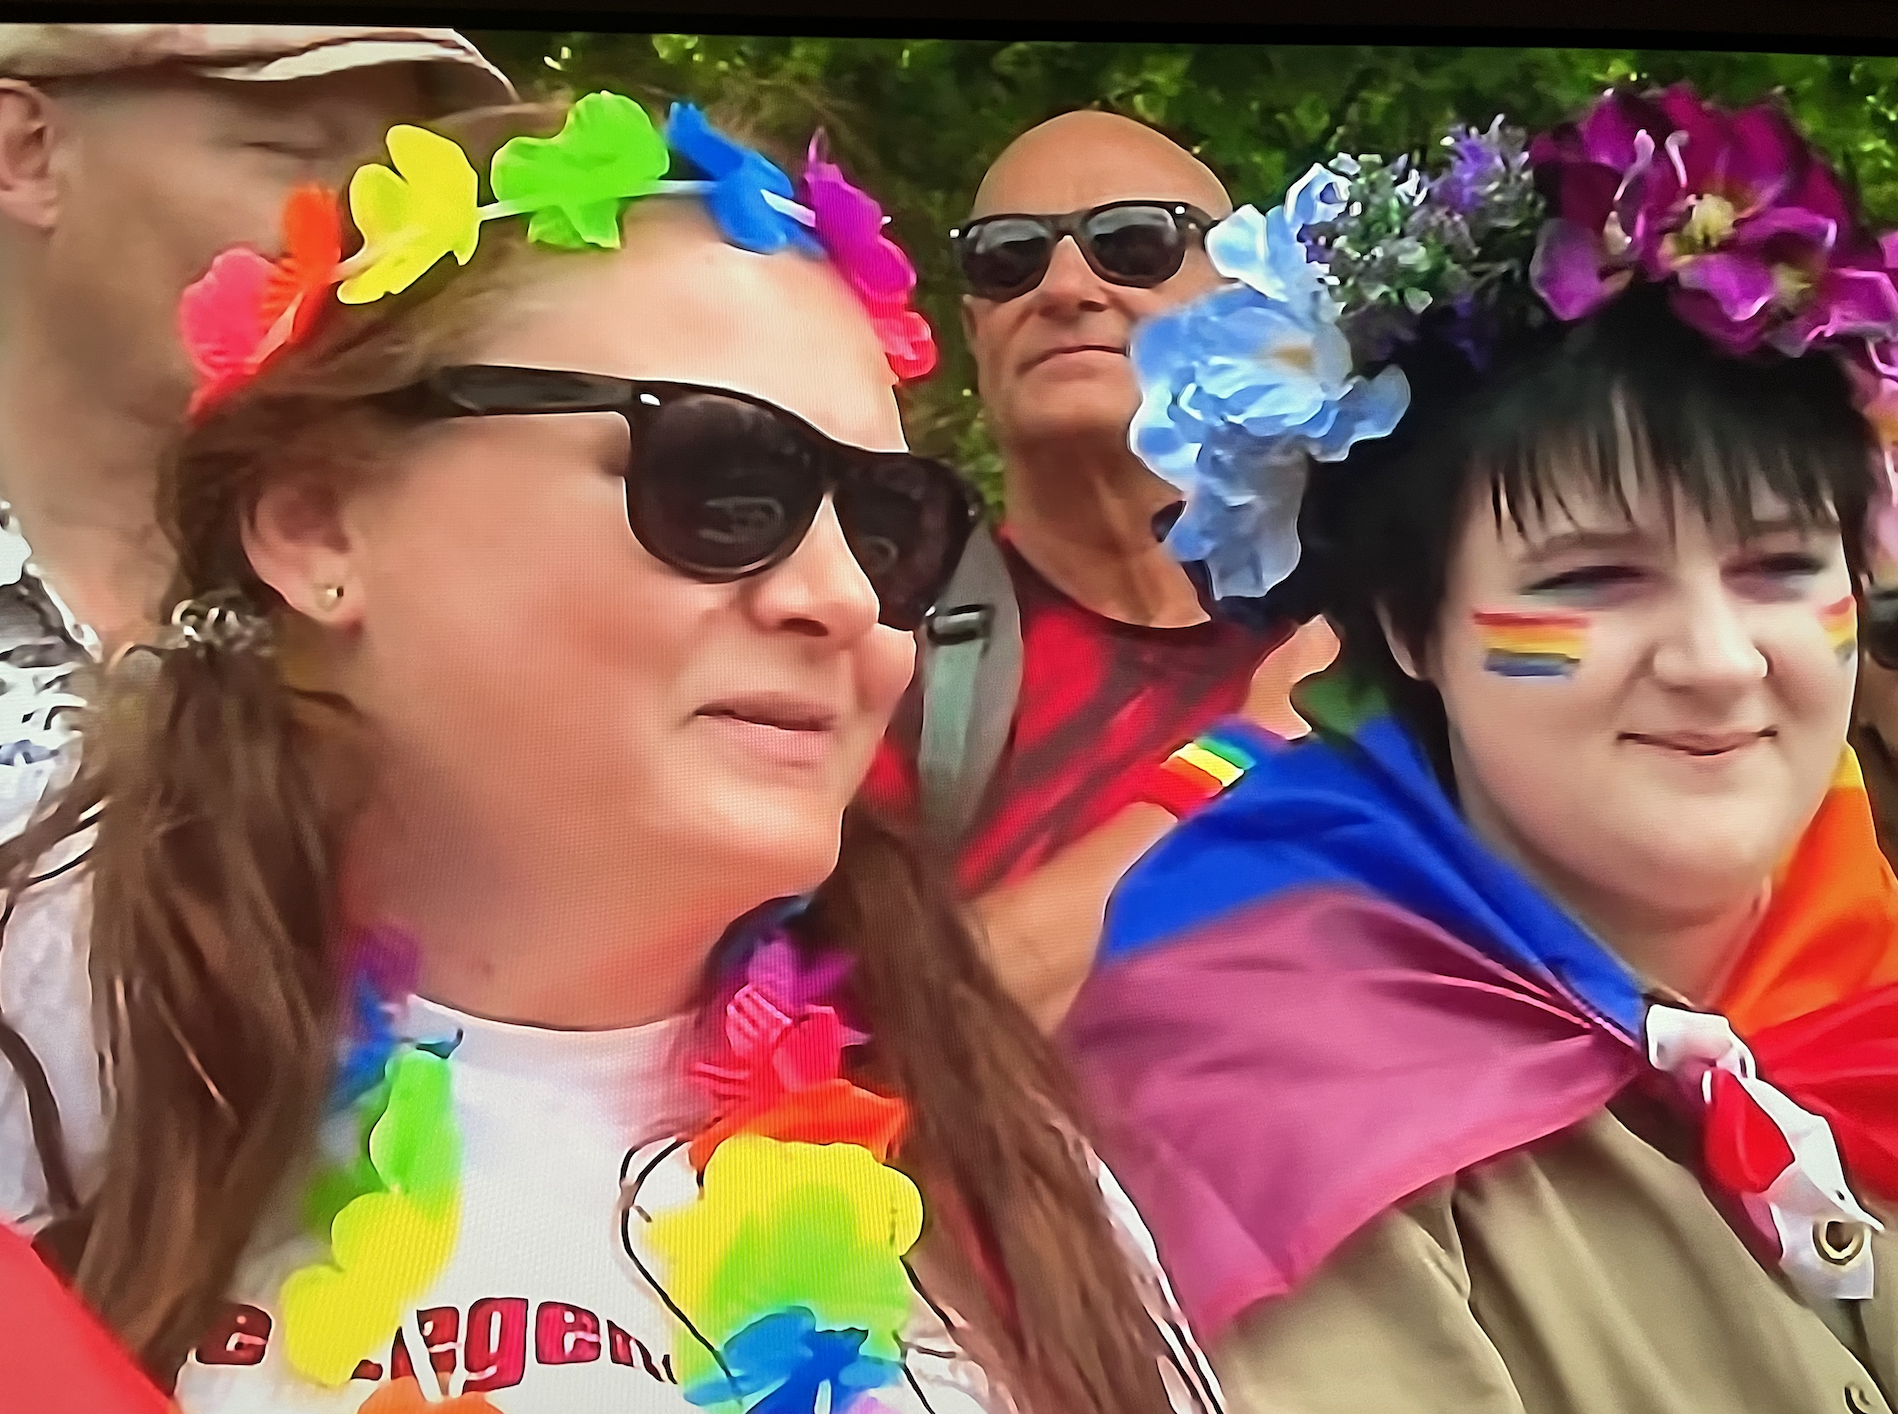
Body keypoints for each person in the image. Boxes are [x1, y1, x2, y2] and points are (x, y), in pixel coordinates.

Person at [0, 95, 1224, 1414]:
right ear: (316, 524)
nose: (841, 599)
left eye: (887, 525)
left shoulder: (1009, 1174)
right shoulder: (59, 1049)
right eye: (720, 482)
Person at [1065, 87, 1898, 1412]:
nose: (1715, 657)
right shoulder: (1262, 1082)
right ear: (1409, 622)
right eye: (1593, 577)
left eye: (1778, 567)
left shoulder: (1864, 954)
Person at [865, 109, 1334, 1030]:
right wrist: (1246, 755)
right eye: (1010, 260)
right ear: (976, 328)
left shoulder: (1386, 629)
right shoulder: (872, 656)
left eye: (1134, 243)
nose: (1067, 286)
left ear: (1252, 309)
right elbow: (861, 1049)